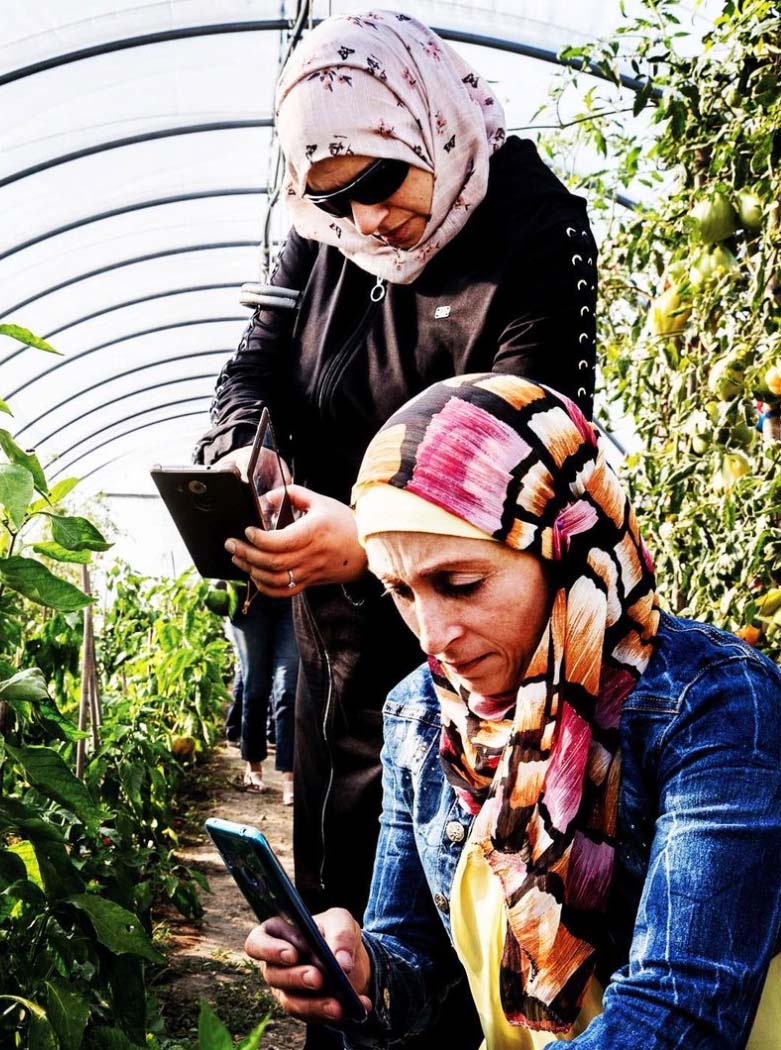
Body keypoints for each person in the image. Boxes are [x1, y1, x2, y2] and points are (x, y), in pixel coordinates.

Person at [195, 12, 598, 1039]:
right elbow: (247, 374)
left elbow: (529, 452)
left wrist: (373, 539)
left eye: (381, 183)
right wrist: (248, 452)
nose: (363, 220)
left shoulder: (531, 228)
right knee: (347, 935)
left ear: (430, 131)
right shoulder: (324, 234)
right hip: (342, 651)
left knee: (466, 935)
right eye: (328, 199)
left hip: (479, 662)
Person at [246, 374, 781, 1049]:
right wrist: (360, 972)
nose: (433, 635)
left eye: (460, 583)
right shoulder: (422, 713)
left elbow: (680, 1013)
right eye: (401, 592)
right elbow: (412, 960)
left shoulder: (713, 702)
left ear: (566, 550)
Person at [229, 591, 297, 804]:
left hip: (292, 595)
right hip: (248, 597)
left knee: (288, 689)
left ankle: (291, 777)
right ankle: (253, 765)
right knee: (255, 687)